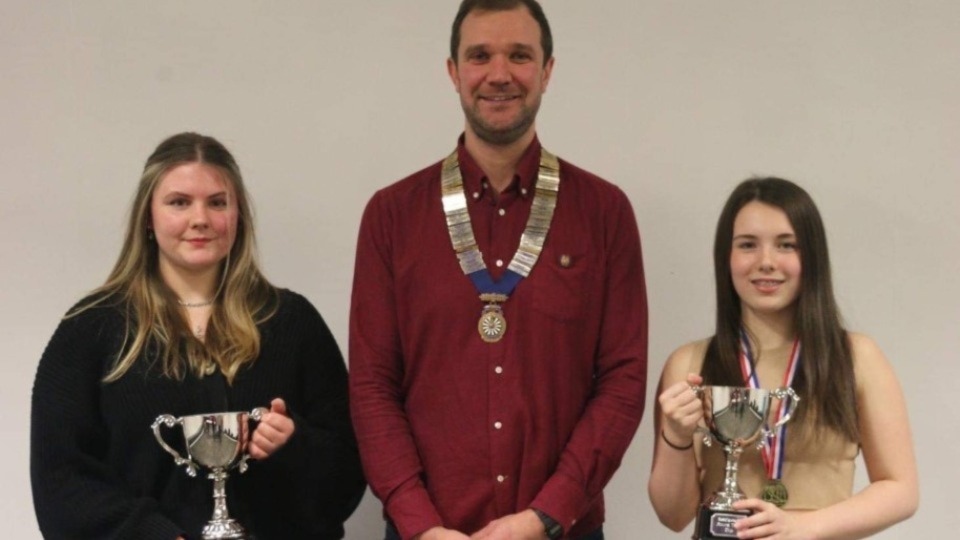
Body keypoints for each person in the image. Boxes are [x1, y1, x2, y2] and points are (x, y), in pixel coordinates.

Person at [349, 1, 648, 539]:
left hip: (563, 530)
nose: (499, 74)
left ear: (548, 70)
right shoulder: (391, 216)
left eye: (520, 56)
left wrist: (546, 515)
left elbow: (623, 382)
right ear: (453, 72)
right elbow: (372, 386)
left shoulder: (605, 213)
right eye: (480, 56)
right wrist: (421, 525)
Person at [30, 132, 366, 539]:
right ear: (147, 218)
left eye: (218, 202)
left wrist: (294, 446)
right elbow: (60, 481)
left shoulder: (292, 322)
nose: (200, 219)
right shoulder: (91, 329)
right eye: (179, 202)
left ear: (238, 216)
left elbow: (350, 472)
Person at [648, 177, 918, 538]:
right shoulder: (689, 363)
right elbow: (672, 514)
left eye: (786, 245)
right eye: (747, 245)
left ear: (812, 257)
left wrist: (802, 527)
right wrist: (677, 435)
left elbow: (901, 489)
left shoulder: (856, 357)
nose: (766, 262)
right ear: (725, 257)